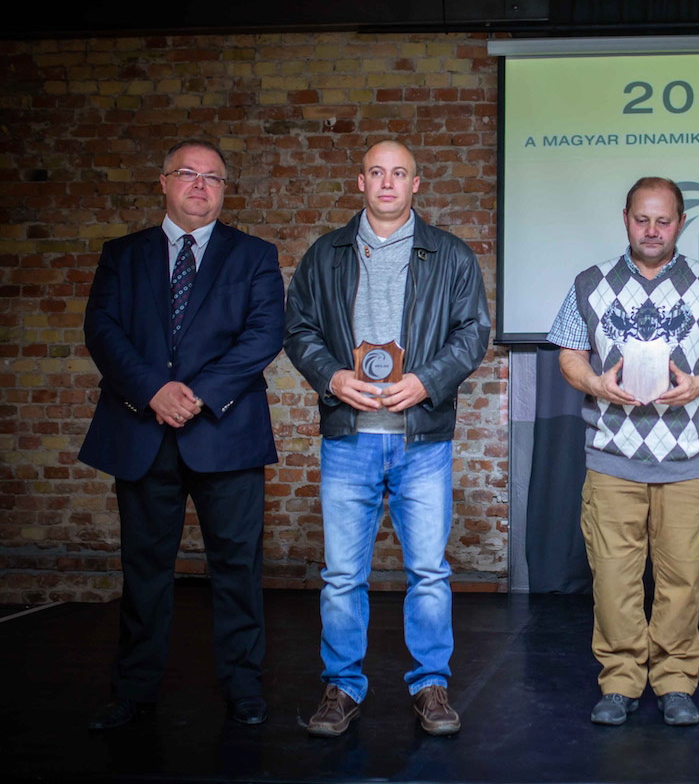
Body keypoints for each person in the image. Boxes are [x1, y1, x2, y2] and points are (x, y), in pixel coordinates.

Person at [283, 140, 490, 737]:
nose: (388, 182)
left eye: (400, 173)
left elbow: (473, 332)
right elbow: (297, 329)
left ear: (416, 184)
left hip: (421, 439)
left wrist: (427, 381)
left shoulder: (450, 255)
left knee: (428, 571)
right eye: (377, 172)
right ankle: (342, 686)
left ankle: (430, 685)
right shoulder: (325, 255)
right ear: (361, 182)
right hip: (348, 437)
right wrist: (331, 376)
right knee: (342, 576)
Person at [80, 139, 284, 729]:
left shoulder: (254, 255)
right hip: (142, 432)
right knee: (143, 573)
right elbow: (102, 329)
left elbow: (264, 334)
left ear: (224, 190)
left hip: (225, 431)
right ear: (164, 182)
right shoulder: (122, 255)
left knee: (238, 570)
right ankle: (133, 691)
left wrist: (195, 395)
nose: (200, 185)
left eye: (212, 177)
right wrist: (153, 391)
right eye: (188, 173)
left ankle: (244, 691)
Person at [547, 177, 699, 727]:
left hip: (687, 460)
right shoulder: (590, 283)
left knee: (681, 580)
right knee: (613, 579)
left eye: (664, 221)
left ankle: (675, 681)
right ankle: (619, 681)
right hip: (611, 458)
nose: (652, 231)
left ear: (681, 223)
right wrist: (595, 383)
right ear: (626, 218)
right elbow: (568, 355)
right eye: (642, 220)